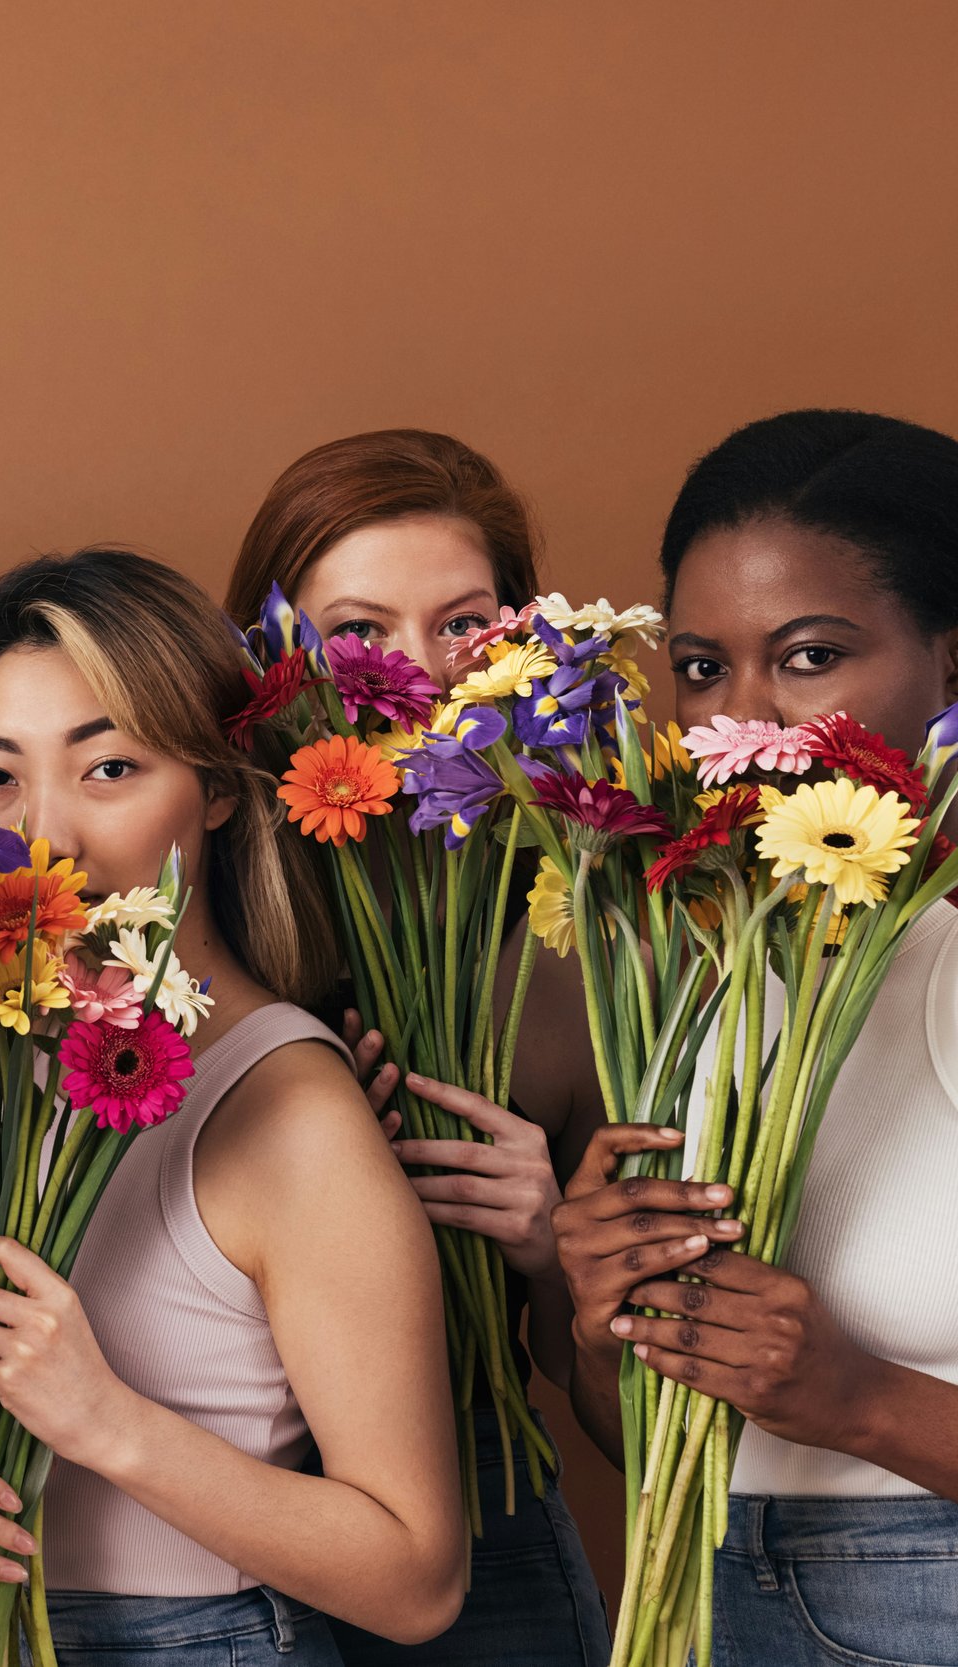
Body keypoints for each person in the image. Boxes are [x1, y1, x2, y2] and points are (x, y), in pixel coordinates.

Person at [0, 548, 464, 1664]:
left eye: (107, 769)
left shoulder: (289, 1111)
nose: (43, 834)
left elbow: (416, 1575)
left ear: (222, 793)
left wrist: (105, 1421)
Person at [552, 409, 958, 1665]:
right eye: (703, 668)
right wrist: (608, 1325)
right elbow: (641, 1436)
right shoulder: (683, 978)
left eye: (812, 655)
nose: (747, 724)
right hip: (709, 1605)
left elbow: (822, 1400)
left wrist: (864, 1400)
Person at [226, 429, 611, 1664]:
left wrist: (549, 1244)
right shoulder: (201, 903)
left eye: (464, 625)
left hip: (482, 1507)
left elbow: (608, 1402)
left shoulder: (569, 923)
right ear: (273, 659)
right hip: (189, 1529)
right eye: (358, 632)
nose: (421, 672)